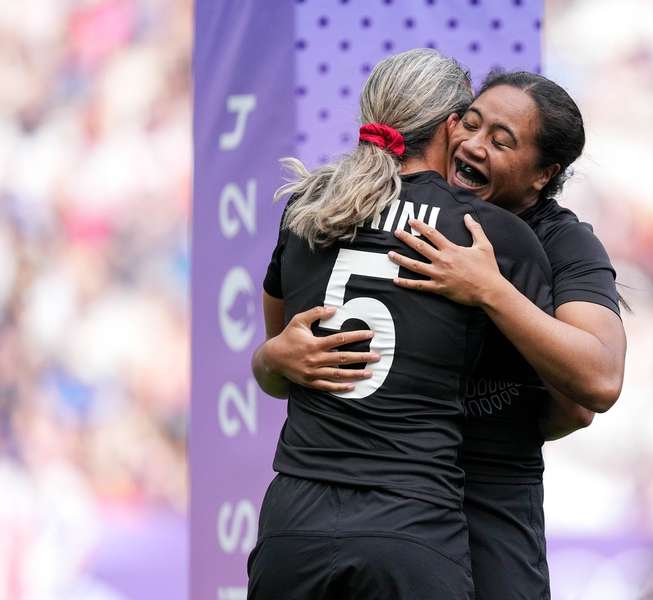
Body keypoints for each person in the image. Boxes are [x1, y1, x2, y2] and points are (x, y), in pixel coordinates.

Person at [258, 70, 627, 599]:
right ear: (447, 125)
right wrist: (272, 361)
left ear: (543, 175)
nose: (473, 145)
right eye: (470, 125)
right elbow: (279, 353)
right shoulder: (371, 208)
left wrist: (491, 291)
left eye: (500, 141)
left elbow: (592, 387)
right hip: (408, 498)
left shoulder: (560, 243)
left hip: (486, 494)